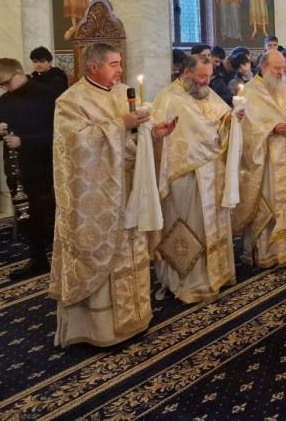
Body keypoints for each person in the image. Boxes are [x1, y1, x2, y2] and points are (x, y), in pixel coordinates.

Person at [50, 42, 176, 348]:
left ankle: (135, 318)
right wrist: (121, 125)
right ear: (94, 66)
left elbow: (133, 139)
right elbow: (76, 146)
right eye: (114, 64)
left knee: (131, 251)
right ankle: (100, 330)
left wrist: (153, 134)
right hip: (98, 197)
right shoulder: (71, 100)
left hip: (129, 189)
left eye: (120, 63)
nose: (120, 69)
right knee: (105, 255)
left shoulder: (123, 93)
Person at [151, 55, 242, 303]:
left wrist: (232, 119)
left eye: (209, 76)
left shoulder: (207, 93)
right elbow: (157, 136)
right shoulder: (168, 98)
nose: (206, 81)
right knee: (190, 226)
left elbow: (221, 118)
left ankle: (216, 275)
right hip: (185, 175)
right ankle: (188, 281)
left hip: (212, 173)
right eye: (202, 76)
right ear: (186, 73)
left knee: (212, 225)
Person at [233, 50, 286, 268]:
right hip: (265, 160)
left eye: (283, 68)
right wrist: (271, 128)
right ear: (264, 67)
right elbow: (246, 128)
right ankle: (266, 253)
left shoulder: (285, 89)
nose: (281, 72)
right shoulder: (250, 92)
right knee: (268, 202)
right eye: (277, 68)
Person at [0, 58, 58, 279]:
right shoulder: (5, 100)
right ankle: (37, 259)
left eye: (6, 83)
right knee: (25, 215)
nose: (4, 88)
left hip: (41, 165)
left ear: (18, 73)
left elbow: (57, 134)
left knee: (44, 213)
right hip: (16, 167)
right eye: (0, 85)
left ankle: (57, 258)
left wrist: (24, 141)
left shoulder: (46, 95)